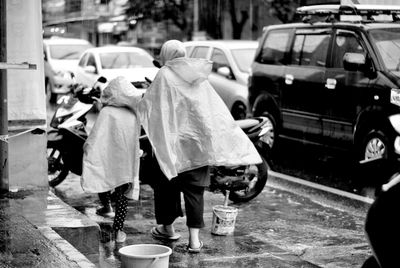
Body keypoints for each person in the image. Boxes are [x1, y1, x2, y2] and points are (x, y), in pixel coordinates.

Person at [139, 40, 261, 253]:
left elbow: (153, 107)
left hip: (172, 144)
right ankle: (194, 241)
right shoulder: (196, 75)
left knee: (166, 187)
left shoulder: (164, 75)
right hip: (196, 143)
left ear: (165, 54)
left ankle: (168, 229)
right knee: (194, 191)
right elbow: (210, 109)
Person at [81, 76, 141, 243]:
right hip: (126, 162)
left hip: (109, 159)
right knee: (123, 195)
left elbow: (96, 137)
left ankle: (106, 206)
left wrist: (88, 147)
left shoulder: (106, 113)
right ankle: (119, 230)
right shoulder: (133, 114)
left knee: (102, 178)